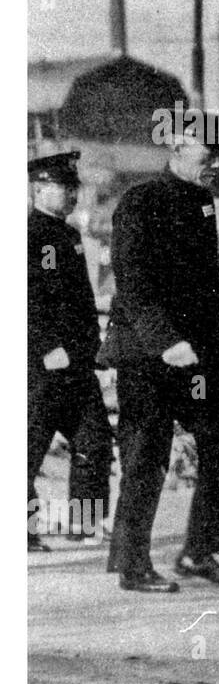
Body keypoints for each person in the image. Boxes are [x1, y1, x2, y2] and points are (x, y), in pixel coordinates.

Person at [101, 129, 219, 593]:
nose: (216, 164)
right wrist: (166, 341)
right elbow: (133, 282)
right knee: (146, 457)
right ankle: (131, 565)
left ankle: (198, 552)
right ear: (176, 150)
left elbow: (204, 294)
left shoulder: (203, 204)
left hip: (193, 357)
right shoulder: (141, 201)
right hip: (147, 356)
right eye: (208, 154)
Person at [28, 150, 114, 550]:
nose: (72, 195)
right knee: (27, 452)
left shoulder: (66, 234)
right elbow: (26, 299)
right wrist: (47, 348)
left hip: (77, 364)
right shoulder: (32, 235)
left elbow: (78, 301)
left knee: (94, 443)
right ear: (39, 188)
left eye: (73, 188)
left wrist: (92, 349)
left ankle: (85, 523)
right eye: (64, 188)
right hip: (43, 367)